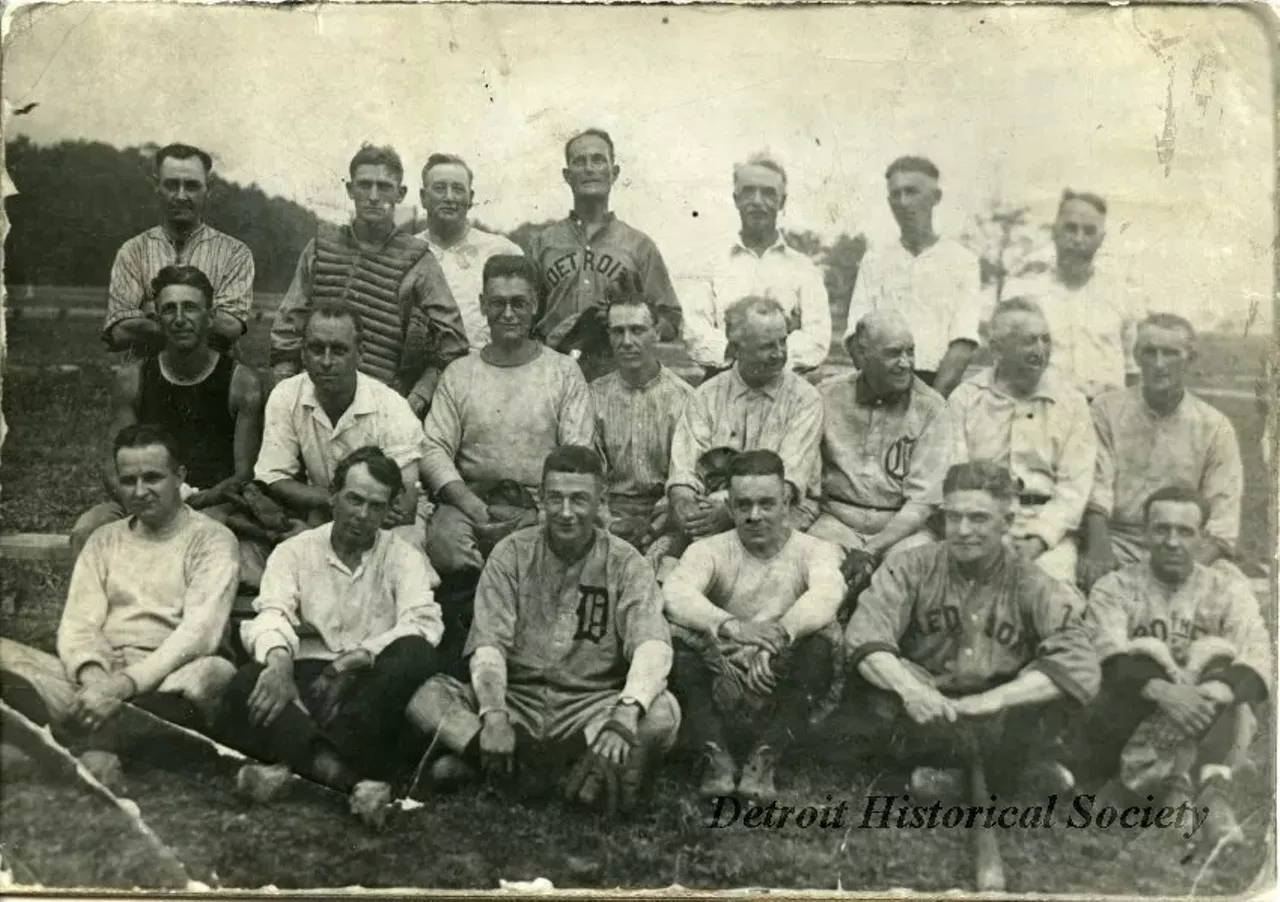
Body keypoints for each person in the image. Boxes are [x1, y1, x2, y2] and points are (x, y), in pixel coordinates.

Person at [406, 446, 681, 816]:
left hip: (588, 706)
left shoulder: (626, 562)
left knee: (662, 712)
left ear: (601, 501)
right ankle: (554, 772)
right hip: (517, 699)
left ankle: (500, 770)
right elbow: (488, 646)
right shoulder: (510, 554)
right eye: (556, 498)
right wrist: (494, 714)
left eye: (580, 500)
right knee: (428, 698)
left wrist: (626, 712)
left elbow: (651, 645)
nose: (566, 513)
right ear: (542, 500)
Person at [1, 425, 238, 789]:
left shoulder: (212, 541)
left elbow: (197, 636)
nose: (140, 491)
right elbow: (79, 625)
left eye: (153, 478)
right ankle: (96, 747)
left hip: (165, 679)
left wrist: (122, 688)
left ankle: (60, 748)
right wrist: (96, 681)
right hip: (97, 678)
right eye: (129, 480)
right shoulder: (104, 539)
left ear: (180, 477)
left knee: (213, 674)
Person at [842, 461, 1099, 798]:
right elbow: (865, 635)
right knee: (869, 702)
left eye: (978, 518)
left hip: (995, 712)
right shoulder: (910, 566)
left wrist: (991, 701)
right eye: (954, 517)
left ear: (1006, 522)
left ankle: (942, 781)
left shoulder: (1033, 583)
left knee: (1047, 708)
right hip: (925, 706)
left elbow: (1080, 664)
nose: (963, 530)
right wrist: (912, 691)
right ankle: (1005, 778)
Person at [224, 447, 444, 827]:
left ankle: (296, 767)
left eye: (376, 506)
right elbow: (271, 612)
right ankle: (351, 780)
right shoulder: (295, 551)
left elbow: (423, 622)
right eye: (354, 500)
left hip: (371, 687)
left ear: (390, 509)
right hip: (310, 680)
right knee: (247, 682)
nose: (362, 515)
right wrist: (278, 662)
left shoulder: (402, 556)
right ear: (332, 495)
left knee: (415, 652)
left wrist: (358, 657)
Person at [1074, 487, 1269, 849]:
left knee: (1219, 655)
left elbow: (1258, 658)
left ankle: (1181, 792)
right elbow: (1104, 654)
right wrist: (1166, 692)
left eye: (1185, 531)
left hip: (1209, 718)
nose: (1172, 541)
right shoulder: (1115, 586)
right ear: (1145, 533)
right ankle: (1202, 794)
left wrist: (1208, 693)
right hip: (1132, 721)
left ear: (1202, 537)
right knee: (1146, 652)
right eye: (1161, 529)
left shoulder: (1227, 589)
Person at [663, 450, 845, 803]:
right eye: (743, 505)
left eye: (766, 503)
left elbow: (829, 592)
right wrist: (730, 626)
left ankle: (766, 756)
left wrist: (778, 635)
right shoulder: (710, 550)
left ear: (787, 502)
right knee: (676, 640)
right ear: (729, 506)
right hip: (724, 674)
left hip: (778, 675)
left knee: (822, 643)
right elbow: (675, 592)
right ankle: (714, 752)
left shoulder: (815, 549)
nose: (754, 516)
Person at [71, 265, 265, 576]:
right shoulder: (133, 378)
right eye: (169, 309)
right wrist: (144, 501)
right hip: (144, 499)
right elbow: (113, 464)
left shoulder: (241, 383)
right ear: (157, 319)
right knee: (88, 530)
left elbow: (244, 474)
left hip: (210, 504)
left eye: (190, 308)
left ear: (210, 316)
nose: (179, 318)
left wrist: (193, 503)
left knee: (211, 544)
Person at [420, 255, 595, 581]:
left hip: (538, 503)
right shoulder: (460, 373)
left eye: (519, 303)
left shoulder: (563, 372)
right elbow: (433, 448)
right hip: (471, 500)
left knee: (542, 556)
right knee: (445, 547)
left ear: (535, 305)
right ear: (483, 305)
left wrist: (547, 510)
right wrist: (471, 505)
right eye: (498, 303)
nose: (509, 313)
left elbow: (576, 452)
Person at [269, 144, 467, 416]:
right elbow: (286, 329)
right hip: (310, 401)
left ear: (400, 194)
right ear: (350, 190)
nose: (374, 196)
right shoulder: (320, 247)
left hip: (379, 408)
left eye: (384, 187)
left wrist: (414, 402)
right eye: (365, 185)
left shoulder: (419, 261)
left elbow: (453, 344)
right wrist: (286, 394)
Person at [1078, 314, 1244, 589]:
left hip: (1182, 547)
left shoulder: (1214, 427)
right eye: (1149, 352)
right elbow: (1097, 490)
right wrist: (1098, 550)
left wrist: (1175, 574)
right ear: (1136, 356)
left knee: (1236, 597)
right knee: (1074, 596)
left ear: (1190, 359)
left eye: (1170, 354)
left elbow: (1221, 527)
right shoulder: (1106, 410)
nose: (1159, 364)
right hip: (1118, 540)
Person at [255, 301, 427, 550]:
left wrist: (350, 508)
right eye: (316, 349)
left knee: (395, 554)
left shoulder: (391, 406)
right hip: (325, 509)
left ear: (360, 353)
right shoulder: (286, 395)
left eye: (338, 350)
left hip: (384, 516)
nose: (325, 361)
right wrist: (336, 501)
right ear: (302, 353)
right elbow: (274, 476)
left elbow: (405, 503)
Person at [948, 298, 1095, 582]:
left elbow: (1074, 488)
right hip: (977, 526)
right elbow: (955, 477)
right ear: (997, 349)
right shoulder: (965, 399)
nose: (1041, 350)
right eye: (1029, 342)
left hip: (1046, 531)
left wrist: (1037, 541)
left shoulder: (1072, 404)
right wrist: (987, 533)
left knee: (1053, 598)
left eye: (1046, 340)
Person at [810, 311, 952, 594]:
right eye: (893, 353)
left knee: (909, 576)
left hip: (903, 530)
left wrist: (872, 549)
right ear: (863, 356)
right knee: (818, 576)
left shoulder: (932, 408)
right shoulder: (826, 396)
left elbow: (922, 502)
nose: (905, 363)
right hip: (836, 522)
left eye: (910, 352)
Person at [526, 128, 681, 382]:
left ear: (614, 172)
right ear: (567, 175)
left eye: (598, 160)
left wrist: (631, 317)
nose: (589, 168)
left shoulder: (639, 246)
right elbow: (526, 317)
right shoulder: (542, 243)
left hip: (617, 376)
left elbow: (671, 320)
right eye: (579, 161)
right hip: (551, 375)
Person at [667, 296, 824, 545]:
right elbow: (684, 471)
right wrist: (683, 503)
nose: (779, 353)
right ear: (736, 349)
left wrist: (731, 511)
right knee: (669, 557)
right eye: (766, 346)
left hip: (783, 513)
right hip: (709, 513)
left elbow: (788, 486)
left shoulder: (805, 399)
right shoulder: (706, 396)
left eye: (782, 342)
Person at [843, 156, 983, 396]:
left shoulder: (963, 261)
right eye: (895, 195)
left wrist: (929, 405)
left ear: (935, 197)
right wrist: (884, 392)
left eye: (912, 192)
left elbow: (963, 343)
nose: (903, 202)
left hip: (938, 389)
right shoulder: (874, 260)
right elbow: (857, 335)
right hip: (880, 389)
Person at [102, 143, 254, 363]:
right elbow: (119, 332)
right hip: (147, 380)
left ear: (208, 188)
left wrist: (151, 310)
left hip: (213, 381)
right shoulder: (133, 251)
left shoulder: (235, 253)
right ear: (156, 185)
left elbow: (230, 327)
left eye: (192, 186)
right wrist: (198, 316)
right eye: (172, 185)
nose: (181, 195)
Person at [683, 153, 831, 376]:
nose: (758, 201)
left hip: (785, 392)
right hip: (723, 386)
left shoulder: (804, 269)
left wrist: (763, 358)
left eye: (769, 193)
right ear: (736, 198)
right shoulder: (711, 264)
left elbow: (817, 339)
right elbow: (695, 331)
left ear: (782, 201)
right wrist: (735, 355)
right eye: (749, 191)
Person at [1000, 190, 1141, 400]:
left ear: (1101, 239)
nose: (1078, 239)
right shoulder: (1022, 292)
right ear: (1054, 232)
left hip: (1104, 416)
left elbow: (1132, 372)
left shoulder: (1121, 295)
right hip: (1042, 412)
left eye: (1089, 231)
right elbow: (1002, 364)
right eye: (1070, 228)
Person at [590, 279, 694, 552]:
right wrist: (609, 524)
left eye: (637, 330)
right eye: (618, 332)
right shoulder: (593, 396)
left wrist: (656, 527)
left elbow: (684, 476)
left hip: (665, 518)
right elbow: (590, 473)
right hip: (607, 517)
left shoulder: (684, 399)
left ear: (656, 333)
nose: (627, 342)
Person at [413, 153, 523, 351]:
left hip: (487, 369)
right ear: (423, 197)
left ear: (470, 198)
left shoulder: (503, 251)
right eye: (439, 188)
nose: (449, 197)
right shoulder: (407, 251)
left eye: (457, 189)